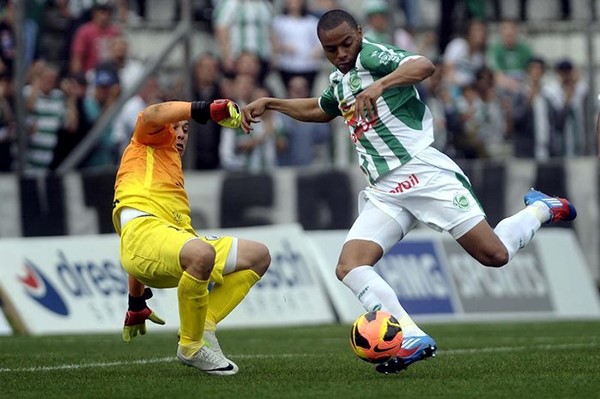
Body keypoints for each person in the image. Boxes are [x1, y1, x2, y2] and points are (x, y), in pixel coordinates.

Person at [241, 9, 578, 374]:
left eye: (346, 43)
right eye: (330, 49)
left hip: (422, 173)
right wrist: (271, 103)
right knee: (349, 265)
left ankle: (540, 209)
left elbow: (424, 65)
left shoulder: (372, 56)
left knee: (494, 255)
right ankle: (410, 335)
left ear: (359, 32)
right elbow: (320, 110)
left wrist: (381, 85)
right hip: (385, 191)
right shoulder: (340, 81)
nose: (340, 54)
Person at [112, 98, 271, 375]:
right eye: (175, 126)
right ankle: (191, 345)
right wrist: (206, 109)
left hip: (163, 241)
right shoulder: (144, 144)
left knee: (258, 255)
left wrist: (135, 302)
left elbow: (155, 240)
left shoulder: (168, 169)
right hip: (144, 239)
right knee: (201, 253)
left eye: (186, 128)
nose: (182, 132)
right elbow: (152, 114)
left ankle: (204, 323)